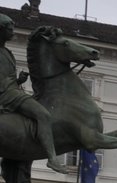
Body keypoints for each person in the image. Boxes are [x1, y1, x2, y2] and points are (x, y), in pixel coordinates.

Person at [0, 14, 74, 174]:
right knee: (43, 115)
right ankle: (52, 159)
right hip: (7, 95)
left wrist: (19, 81)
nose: (13, 32)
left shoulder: (7, 52)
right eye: (10, 29)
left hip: (12, 91)